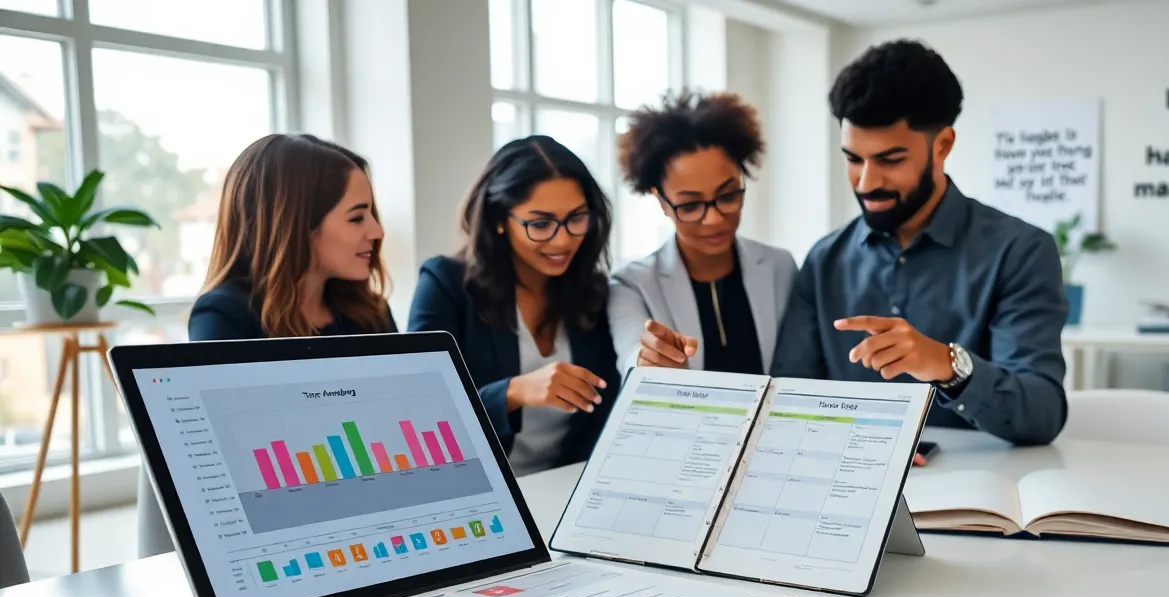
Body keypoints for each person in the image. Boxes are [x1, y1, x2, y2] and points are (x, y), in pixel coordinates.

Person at [772, 40, 1068, 446]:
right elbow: (789, 401)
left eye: (890, 160)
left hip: (982, 496)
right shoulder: (824, 260)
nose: (866, 182)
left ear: (942, 146)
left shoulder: (1020, 252)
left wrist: (946, 364)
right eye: (853, 158)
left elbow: (1041, 413)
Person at [408, 136, 619, 475]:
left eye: (577, 218)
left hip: (568, 484)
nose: (563, 239)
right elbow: (418, 409)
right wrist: (513, 392)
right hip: (477, 486)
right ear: (498, 219)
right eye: (540, 224)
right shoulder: (445, 284)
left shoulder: (595, 292)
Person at [608, 91, 796, 374]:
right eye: (691, 204)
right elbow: (631, 356)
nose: (713, 219)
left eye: (728, 195)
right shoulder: (633, 285)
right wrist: (646, 359)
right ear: (661, 201)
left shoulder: (780, 267)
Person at [189, 133, 396, 341]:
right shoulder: (225, 316)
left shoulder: (372, 314)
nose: (378, 232)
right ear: (298, 224)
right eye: (356, 218)